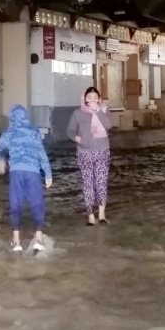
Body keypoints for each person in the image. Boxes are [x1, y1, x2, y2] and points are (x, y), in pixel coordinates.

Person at [0, 104, 53, 253]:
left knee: (16, 205)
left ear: (12, 118)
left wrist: (0, 160)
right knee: (37, 205)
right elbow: (41, 153)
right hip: (33, 173)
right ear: (27, 117)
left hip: (16, 173)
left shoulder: (9, 133)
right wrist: (48, 173)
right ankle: (38, 239)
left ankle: (16, 241)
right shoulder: (34, 132)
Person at [67, 86, 114, 225]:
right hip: (84, 152)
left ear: (99, 99)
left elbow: (109, 125)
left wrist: (97, 111)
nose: (92, 100)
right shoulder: (78, 113)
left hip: (102, 151)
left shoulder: (104, 110)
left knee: (101, 183)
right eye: (89, 97)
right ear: (85, 99)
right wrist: (77, 138)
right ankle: (90, 216)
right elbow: (70, 131)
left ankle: (102, 214)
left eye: (95, 97)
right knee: (88, 183)